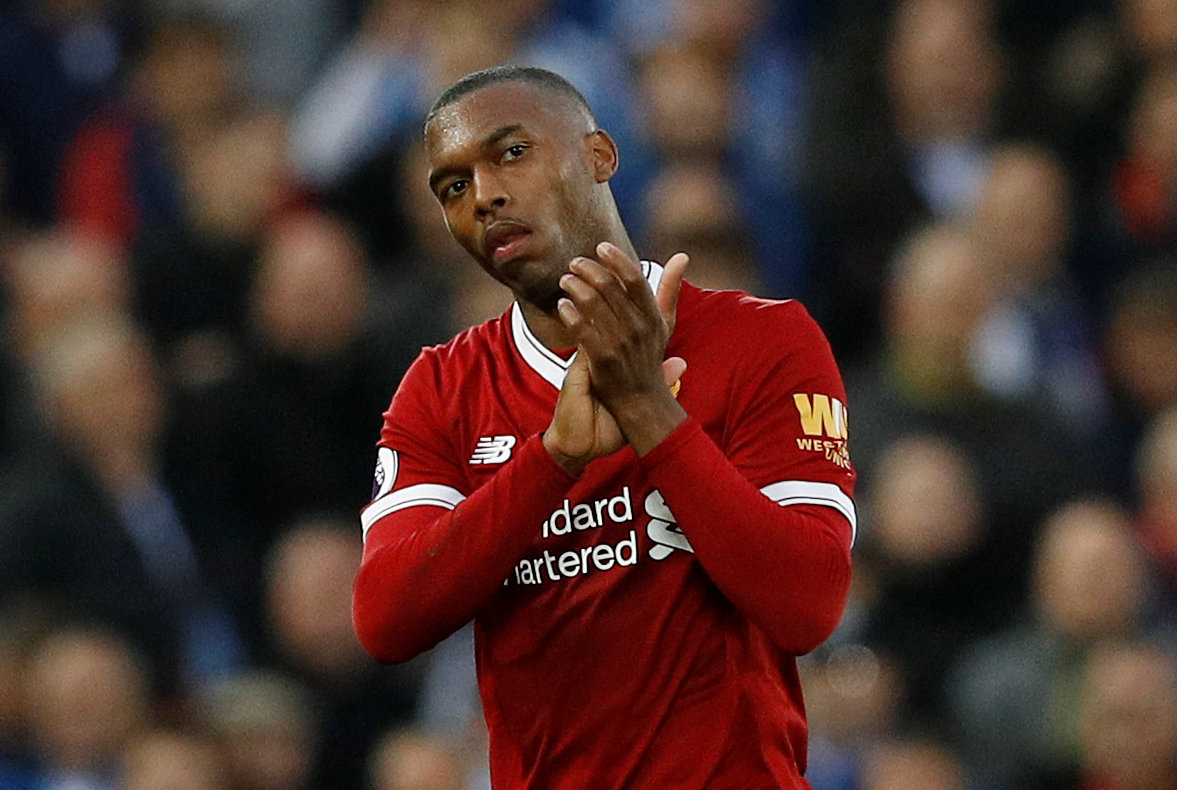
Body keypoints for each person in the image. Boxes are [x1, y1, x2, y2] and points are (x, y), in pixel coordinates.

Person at [351, 65, 856, 788]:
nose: (485, 195)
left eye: (512, 153)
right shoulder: (441, 387)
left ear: (600, 155)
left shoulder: (763, 342)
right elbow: (386, 619)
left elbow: (807, 605)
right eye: (453, 187)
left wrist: (650, 410)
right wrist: (550, 460)